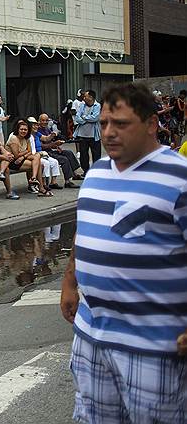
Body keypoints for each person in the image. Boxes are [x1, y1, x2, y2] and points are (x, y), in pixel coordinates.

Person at [59, 82, 187, 423]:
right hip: (91, 336)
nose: (109, 133)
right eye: (103, 124)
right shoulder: (97, 172)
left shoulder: (179, 177)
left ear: (150, 123)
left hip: (153, 345)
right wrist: (70, 282)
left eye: (121, 124)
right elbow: (85, 233)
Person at [6, 119, 51, 196]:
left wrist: (23, 155)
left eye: (25, 130)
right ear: (18, 129)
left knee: (37, 156)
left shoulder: (26, 138)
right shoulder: (14, 138)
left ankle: (34, 179)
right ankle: (40, 187)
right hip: (12, 161)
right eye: (21, 129)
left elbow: (30, 151)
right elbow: (16, 155)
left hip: (22, 159)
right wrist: (25, 153)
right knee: (39, 164)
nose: (23, 131)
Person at [35, 113, 83, 186]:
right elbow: (42, 146)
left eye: (46, 120)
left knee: (68, 152)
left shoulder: (47, 129)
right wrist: (53, 144)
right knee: (64, 159)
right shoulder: (37, 131)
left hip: (50, 150)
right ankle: (67, 181)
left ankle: (74, 174)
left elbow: (49, 140)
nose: (45, 122)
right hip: (44, 152)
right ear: (39, 121)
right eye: (42, 120)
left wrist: (57, 146)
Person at [27, 117, 62, 190]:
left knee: (55, 162)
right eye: (33, 125)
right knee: (46, 163)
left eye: (36, 125)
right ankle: (43, 184)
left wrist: (52, 135)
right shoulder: (28, 136)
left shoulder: (37, 133)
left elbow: (46, 138)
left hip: (41, 153)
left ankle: (53, 182)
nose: (35, 126)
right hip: (35, 155)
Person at [73, 89, 101, 173]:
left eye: (85, 96)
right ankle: (86, 171)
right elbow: (77, 117)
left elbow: (95, 118)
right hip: (82, 134)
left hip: (94, 135)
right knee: (83, 155)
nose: (83, 97)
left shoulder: (97, 105)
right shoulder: (82, 105)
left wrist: (84, 117)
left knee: (96, 155)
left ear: (91, 97)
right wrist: (87, 118)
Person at [0, 132, 19, 200]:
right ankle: (9, 192)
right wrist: (1, 154)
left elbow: (2, 149)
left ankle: (1, 172)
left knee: (8, 157)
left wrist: (7, 154)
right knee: (6, 169)